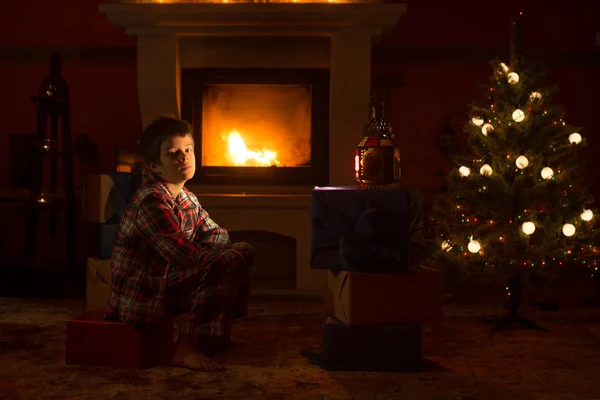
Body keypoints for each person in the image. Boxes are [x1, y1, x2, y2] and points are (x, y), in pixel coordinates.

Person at [105, 116, 254, 372]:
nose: (183, 158)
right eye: (173, 154)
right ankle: (184, 348)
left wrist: (213, 251)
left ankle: (209, 337)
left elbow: (218, 233)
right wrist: (214, 255)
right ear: (155, 166)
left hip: (170, 279)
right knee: (227, 259)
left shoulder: (186, 197)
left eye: (188, 150)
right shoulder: (151, 201)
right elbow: (184, 257)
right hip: (145, 294)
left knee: (242, 251)